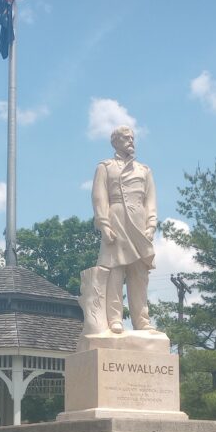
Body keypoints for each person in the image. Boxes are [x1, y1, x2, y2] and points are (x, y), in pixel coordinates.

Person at [91, 126, 158, 333]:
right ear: (116, 142)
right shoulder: (106, 167)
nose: (131, 142)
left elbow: (150, 200)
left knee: (139, 274)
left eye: (132, 138)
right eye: (126, 138)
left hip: (138, 223)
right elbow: (99, 196)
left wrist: (151, 225)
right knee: (115, 272)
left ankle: (142, 320)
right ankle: (114, 319)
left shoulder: (144, 170)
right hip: (117, 219)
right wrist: (103, 223)